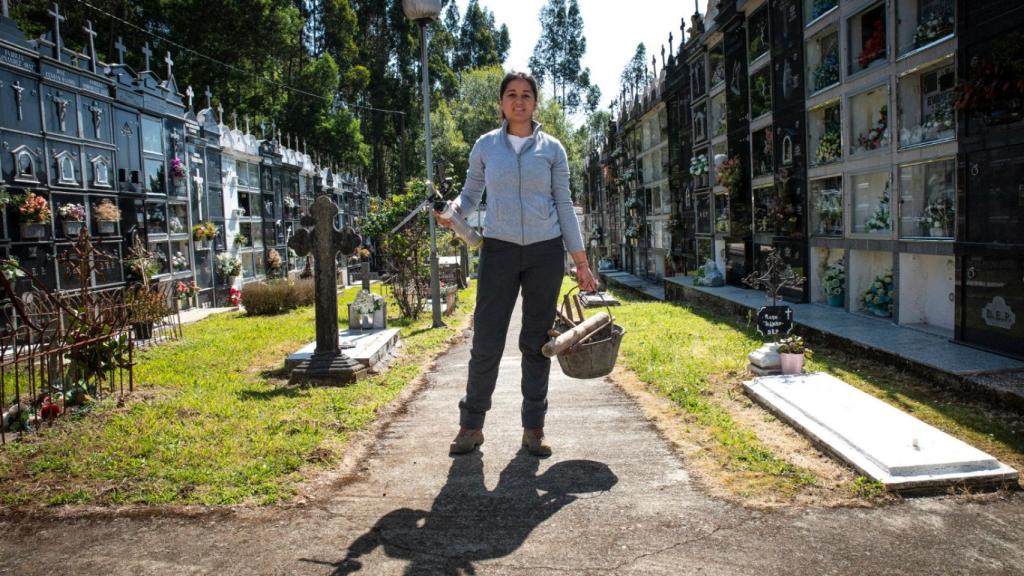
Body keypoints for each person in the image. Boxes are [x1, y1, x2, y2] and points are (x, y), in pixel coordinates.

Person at [436, 71, 597, 458]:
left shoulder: (552, 150)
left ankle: (534, 429)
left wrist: (581, 261)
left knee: (537, 343)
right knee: (487, 341)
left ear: (535, 103)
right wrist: (452, 213)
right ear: (501, 102)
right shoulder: (486, 146)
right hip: (499, 252)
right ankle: (470, 426)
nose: (519, 101)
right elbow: (470, 195)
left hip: (544, 252)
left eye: (526, 95)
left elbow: (563, 204)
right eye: (511, 94)